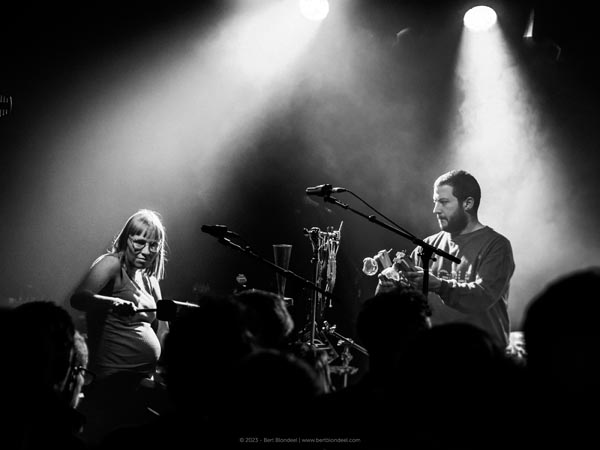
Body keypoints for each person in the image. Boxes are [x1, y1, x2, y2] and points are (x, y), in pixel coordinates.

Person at [378, 170, 515, 350]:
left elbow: (483, 297)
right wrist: (388, 288)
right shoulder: (426, 246)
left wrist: (440, 285)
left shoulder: (497, 246)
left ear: (468, 203)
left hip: (483, 357)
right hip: (435, 354)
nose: (435, 210)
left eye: (443, 202)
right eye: (435, 202)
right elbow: (409, 306)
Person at [70, 209, 170, 447]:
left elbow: (163, 329)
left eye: (153, 245)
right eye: (140, 242)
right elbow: (80, 298)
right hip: (111, 382)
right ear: (127, 239)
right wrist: (113, 302)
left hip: (142, 382)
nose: (146, 251)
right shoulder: (112, 264)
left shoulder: (150, 280)